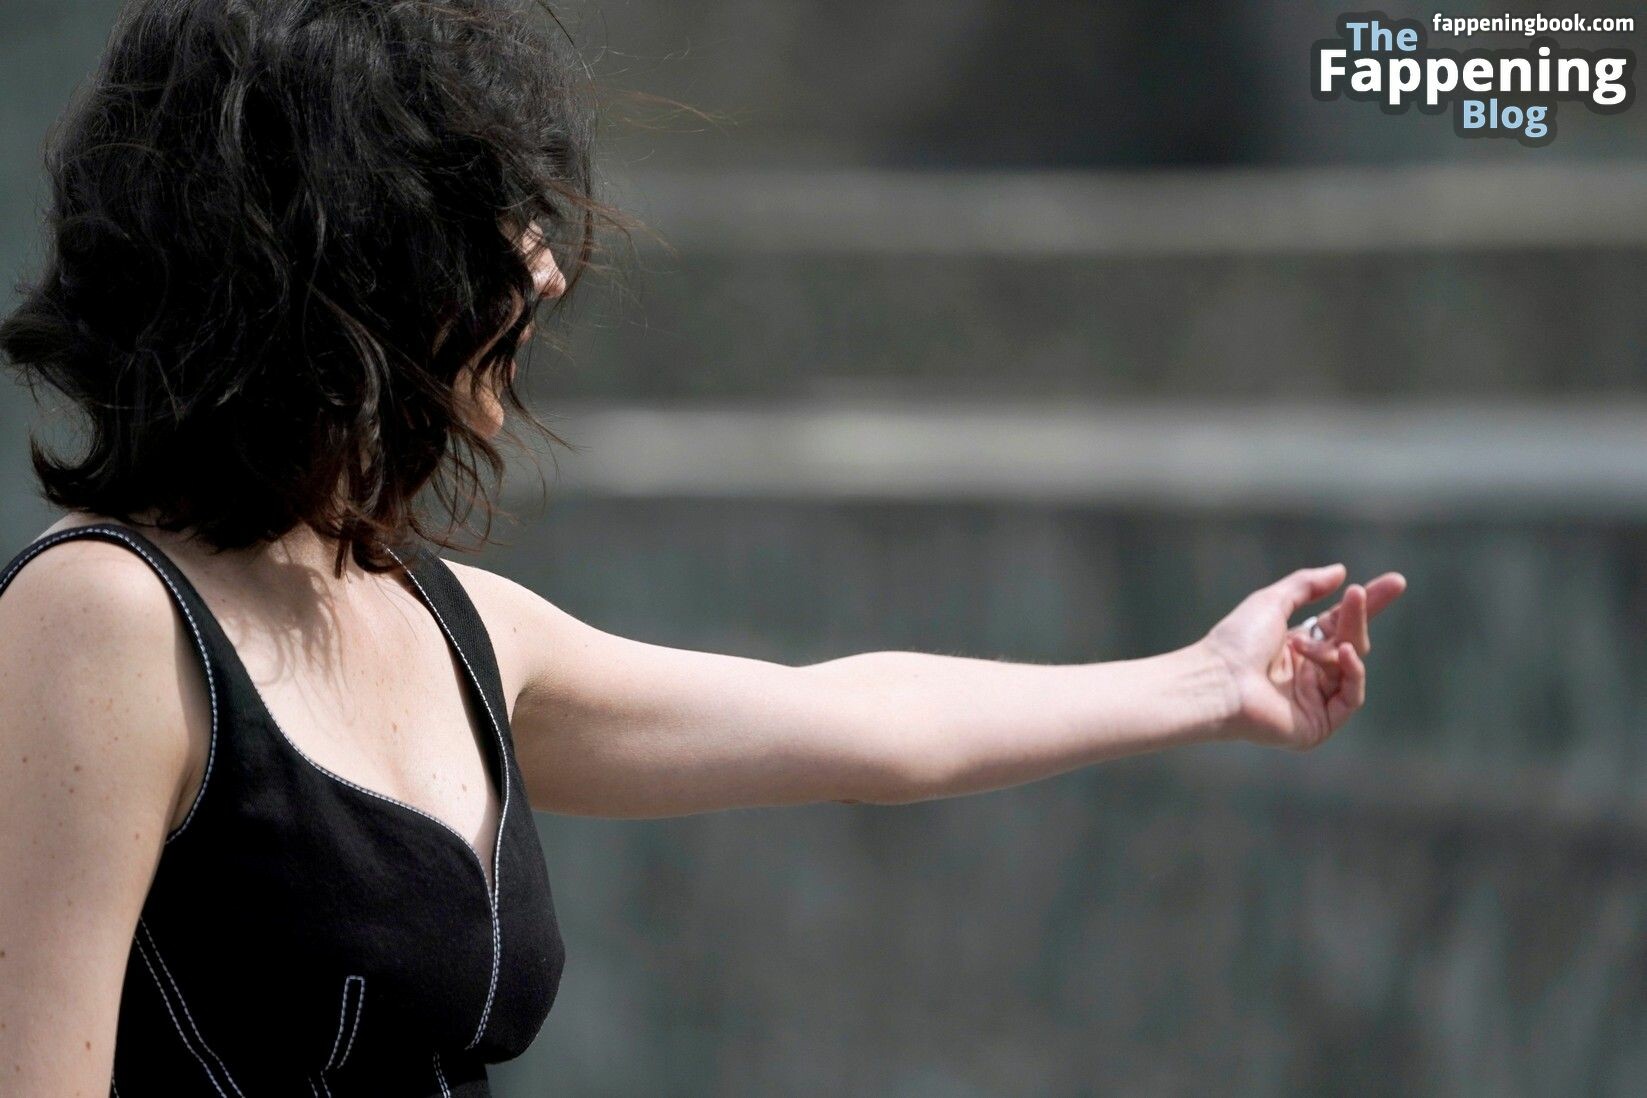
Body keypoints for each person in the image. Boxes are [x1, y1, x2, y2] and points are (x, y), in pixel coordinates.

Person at [0, 1, 1406, 1094]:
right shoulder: (104, 618)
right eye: (479, 220)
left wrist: (1207, 682)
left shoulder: (453, 624)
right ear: (335, 263)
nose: (545, 268)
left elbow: (866, 725)